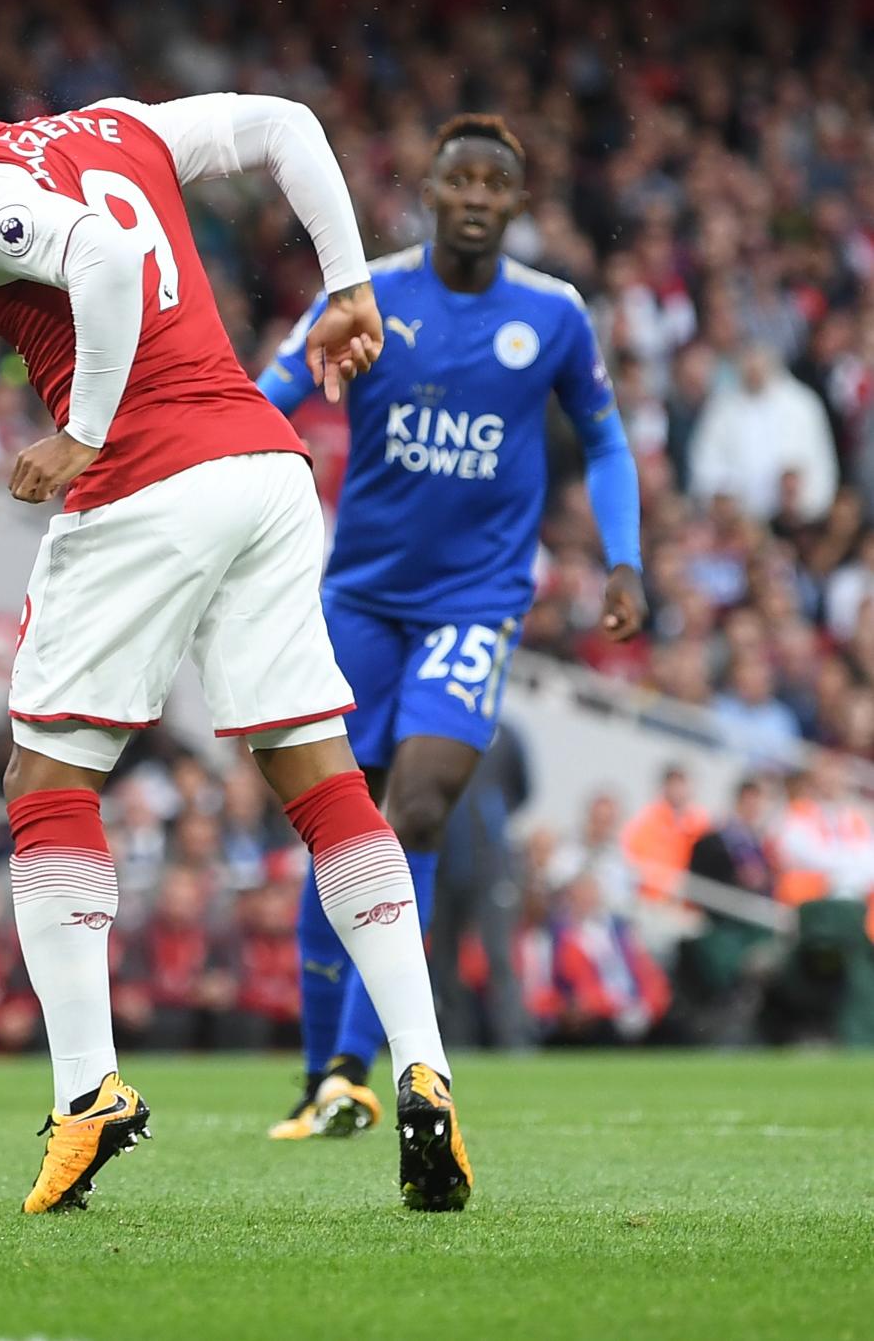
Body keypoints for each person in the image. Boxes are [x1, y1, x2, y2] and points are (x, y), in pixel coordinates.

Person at [0, 71, 470, 1214]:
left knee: (45, 781)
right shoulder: (111, 125)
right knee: (318, 782)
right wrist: (348, 287)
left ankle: (86, 1094)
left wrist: (80, 432)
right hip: (262, 474)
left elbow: (104, 262)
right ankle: (423, 1065)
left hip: (146, 479)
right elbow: (289, 125)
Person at [257, 112, 645, 1142]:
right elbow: (268, 398)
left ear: (516, 204)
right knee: (342, 825)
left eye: (494, 184)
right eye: (458, 179)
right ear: (427, 191)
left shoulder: (553, 316)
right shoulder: (367, 297)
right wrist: (248, 477)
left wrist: (624, 559)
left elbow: (604, 445)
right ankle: (323, 1071)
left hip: (475, 605)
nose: (475, 196)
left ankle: (372, 1064)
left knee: (418, 811)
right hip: (361, 602)